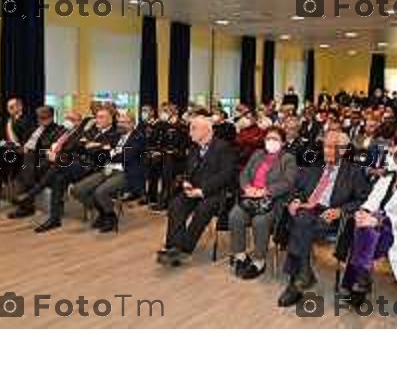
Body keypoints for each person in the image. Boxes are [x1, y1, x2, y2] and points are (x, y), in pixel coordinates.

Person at [277, 131, 370, 307]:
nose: (326, 151)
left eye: (330, 147)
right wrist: (295, 199)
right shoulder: (314, 164)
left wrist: (341, 211)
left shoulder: (354, 171)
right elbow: (296, 188)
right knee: (302, 219)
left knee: (300, 223)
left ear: (342, 150)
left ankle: (298, 278)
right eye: (325, 146)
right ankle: (302, 274)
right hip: (310, 208)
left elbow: (362, 199)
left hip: (331, 214)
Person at [341, 142, 397, 299]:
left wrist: (377, 221)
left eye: (393, 155)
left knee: (365, 230)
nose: (388, 158)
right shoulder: (387, 179)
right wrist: (363, 212)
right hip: (378, 224)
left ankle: (358, 281)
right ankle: (361, 280)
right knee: (360, 225)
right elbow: (372, 200)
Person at [157, 115, 237, 267]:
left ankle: (184, 249)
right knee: (176, 205)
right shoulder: (194, 148)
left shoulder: (223, 147)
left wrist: (202, 191)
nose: (190, 132)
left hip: (215, 193)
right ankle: (173, 247)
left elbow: (226, 176)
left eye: (193, 129)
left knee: (202, 209)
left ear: (206, 130)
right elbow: (189, 169)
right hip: (194, 189)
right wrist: (187, 182)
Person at [229, 126, 297, 279]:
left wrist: (265, 191)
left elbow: (288, 182)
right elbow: (244, 173)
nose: (271, 142)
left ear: (283, 143)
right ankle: (240, 255)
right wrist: (247, 187)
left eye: (275, 139)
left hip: (272, 201)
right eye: (268, 139)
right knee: (235, 215)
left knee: (260, 221)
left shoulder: (288, 159)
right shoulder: (257, 154)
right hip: (250, 198)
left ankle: (259, 260)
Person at [71, 112, 145, 232]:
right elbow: (97, 147)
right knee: (77, 190)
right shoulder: (116, 135)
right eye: (119, 122)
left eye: (124, 123)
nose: (120, 125)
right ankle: (104, 212)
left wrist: (108, 152)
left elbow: (125, 157)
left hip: (125, 172)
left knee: (100, 192)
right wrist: (105, 149)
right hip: (106, 169)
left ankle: (110, 217)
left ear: (132, 124)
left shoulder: (138, 137)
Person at [7, 105, 65, 219]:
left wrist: (31, 151)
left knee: (27, 163)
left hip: (40, 158)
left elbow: (50, 149)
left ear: (51, 117)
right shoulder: (35, 128)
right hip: (26, 154)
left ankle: (26, 205)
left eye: (44, 117)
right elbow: (25, 141)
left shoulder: (56, 129)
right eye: (39, 117)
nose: (40, 120)